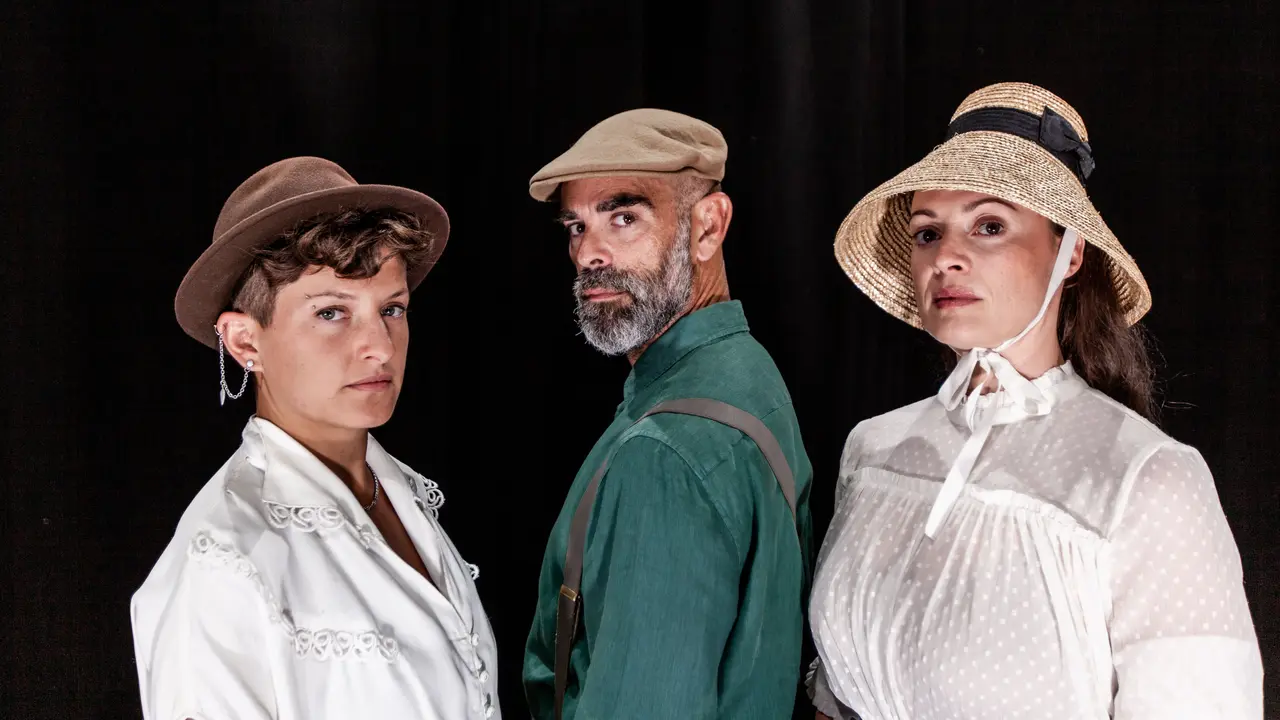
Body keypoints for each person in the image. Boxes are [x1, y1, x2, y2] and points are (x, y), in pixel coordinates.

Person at [807, 82, 1264, 719]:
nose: (947, 258)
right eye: (927, 233)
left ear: (1070, 253)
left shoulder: (1149, 480)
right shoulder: (874, 449)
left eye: (990, 226)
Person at [130, 156, 500, 719]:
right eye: (331, 313)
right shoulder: (224, 560)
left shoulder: (402, 494)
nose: (379, 346)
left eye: (392, 308)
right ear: (245, 342)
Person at [521, 109, 815, 719]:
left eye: (624, 218)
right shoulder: (745, 370)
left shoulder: (665, 452)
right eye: (577, 226)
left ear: (708, 227)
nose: (589, 254)